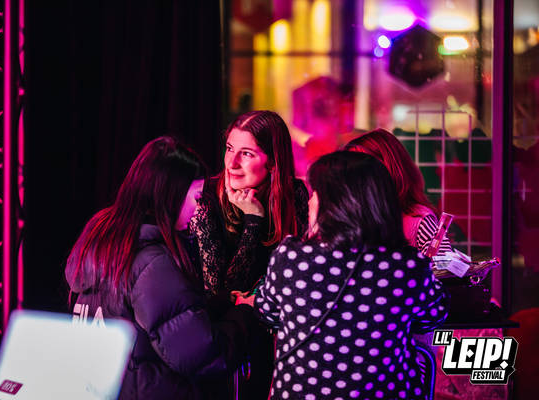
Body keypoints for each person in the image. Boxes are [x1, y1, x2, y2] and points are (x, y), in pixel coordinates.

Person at [243, 151, 448, 399]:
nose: (310, 202)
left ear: (336, 204)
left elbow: (267, 313)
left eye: (315, 193)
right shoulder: (408, 266)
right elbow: (434, 316)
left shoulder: (291, 257)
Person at [65, 137, 257, 400]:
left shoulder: (106, 246)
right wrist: (245, 315)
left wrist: (221, 304)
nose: (198, 208)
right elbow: (204, 356)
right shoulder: (152, 262)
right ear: (170, 195)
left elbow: (157, 321)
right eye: (196, 197)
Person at [190, 110, 309, 398]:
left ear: (273, 161)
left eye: (246, 153)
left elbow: (298, 273)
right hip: (224, 338)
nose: (231, 163)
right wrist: (253, 222)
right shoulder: (206, 199)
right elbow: (221, 292)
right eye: (230, 149)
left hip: (278, 334)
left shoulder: (294, 194)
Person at [345, 128, 452, 255]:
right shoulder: (351, 218)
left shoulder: (418, 220)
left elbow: (445, 265)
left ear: (387, 169)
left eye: (361, 170)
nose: (353, 179)